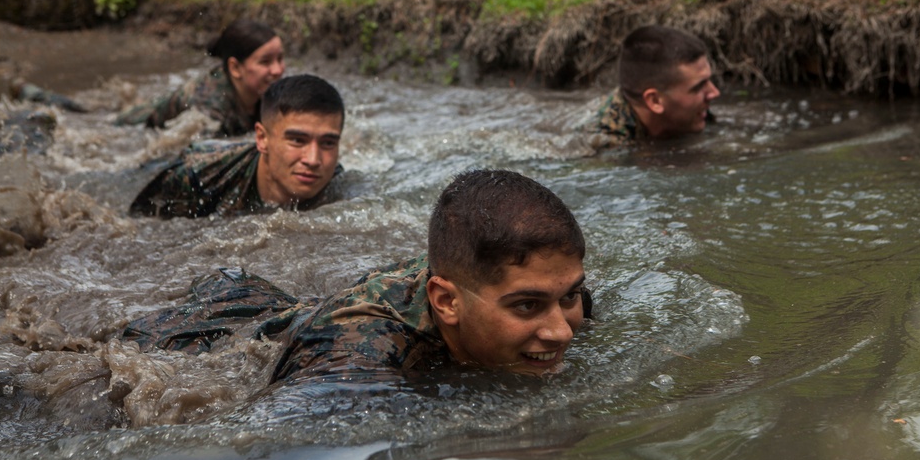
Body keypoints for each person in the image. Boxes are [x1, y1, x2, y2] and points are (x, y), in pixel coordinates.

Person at [123, 169, 593, 383]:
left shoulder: (559, 297)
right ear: (447, 302)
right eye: (528, 306)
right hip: (204, 332)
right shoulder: (358, 359)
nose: (560, 330)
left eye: (569, 296)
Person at [129, 74, 344, 218]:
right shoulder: (200, 175)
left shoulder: (339, 188)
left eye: (327, 143)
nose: (314, 160)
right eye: (297, 140)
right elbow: (138, 222)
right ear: (262, 138)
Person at [116, 18, 285, 136]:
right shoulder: (208, 105)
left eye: (280, 59)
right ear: (235, 68)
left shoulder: (262, 91)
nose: (278, 70)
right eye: (265, 62)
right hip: (132, 126)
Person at [588, 24, 721, 148]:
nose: (714, 93)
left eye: (709, 80)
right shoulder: (603, 144)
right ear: (655, 101)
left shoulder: (692, 110)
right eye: (698, 87)